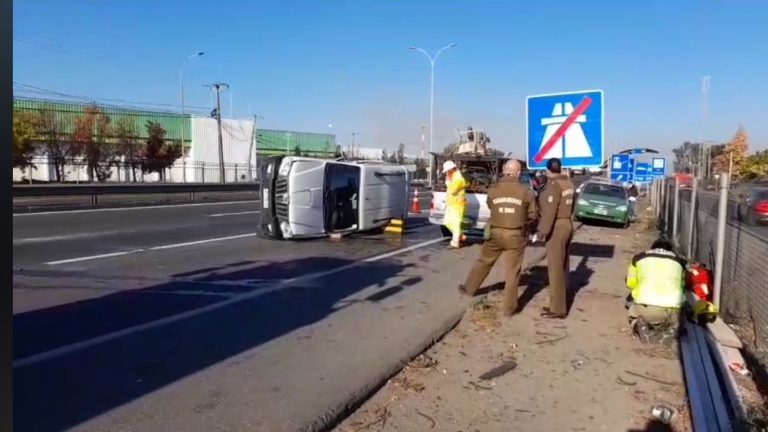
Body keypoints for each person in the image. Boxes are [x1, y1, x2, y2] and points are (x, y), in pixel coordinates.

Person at [458, 160, 538, 315]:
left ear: (504, 171)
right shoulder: (526, 191)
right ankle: (509, 308)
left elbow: (490, 205)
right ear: (518, 173)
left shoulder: (493, 189)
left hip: (495, 232)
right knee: (512, 271)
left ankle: (469, 289)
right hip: (515, 235)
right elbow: (533, 214)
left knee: (484, 261)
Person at [534, 158, 575, 319]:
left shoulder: (554, 186)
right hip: (567, 223)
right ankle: (561, 301)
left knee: (555, 268)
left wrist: (540, 232)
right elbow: (573, 206)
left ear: (548, 170)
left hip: (557, 227)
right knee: (563, 266)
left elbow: (549, 212)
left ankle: (557, 309)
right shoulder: (569, 184)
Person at [625, 237, 687, 342]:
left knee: (631, 306)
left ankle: (638, 326)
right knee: (678, 318)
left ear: (652, 248)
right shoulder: (680, 262)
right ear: (671, 250)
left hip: (645, 307)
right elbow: (682, 287)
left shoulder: (638, 258)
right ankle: (672, 328)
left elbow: (630, 284)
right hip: (671, 309)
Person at [443, 160, 468, 249]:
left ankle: (455, 242)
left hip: (458, 204)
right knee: (447, 222)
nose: (446, 173)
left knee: (456, 224)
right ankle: (460, 236)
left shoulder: (458, 178)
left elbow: (453, 190)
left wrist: (448, 182)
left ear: (451, 169)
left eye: (447, 171)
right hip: (451, 203)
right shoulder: (453, 176)